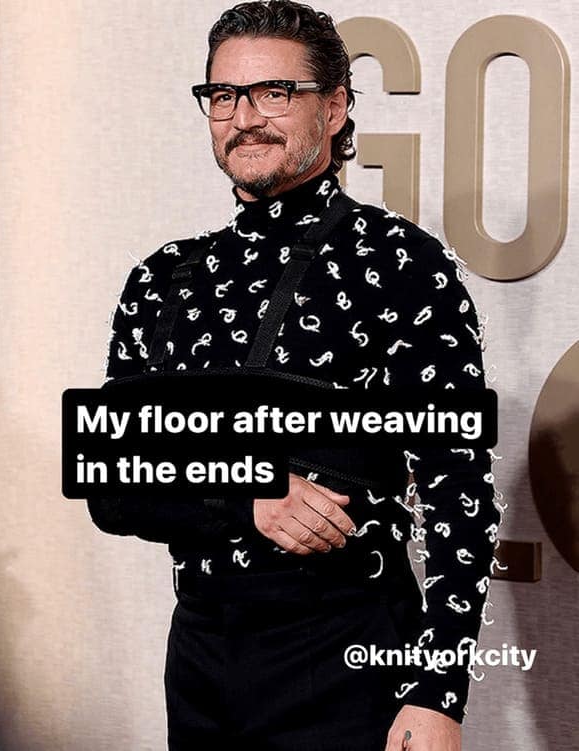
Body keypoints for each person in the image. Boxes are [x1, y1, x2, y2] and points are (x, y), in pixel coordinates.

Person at [86, 2, 502, 749]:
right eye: (224, 96)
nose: (245, 118)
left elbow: (459, 493)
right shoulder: (161, 278)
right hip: (201, 651)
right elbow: (111, 486)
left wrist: (439, 694)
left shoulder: (401, 263)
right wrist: (245, 494)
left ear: (334, 108)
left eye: (274, 92)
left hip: (349, 651)